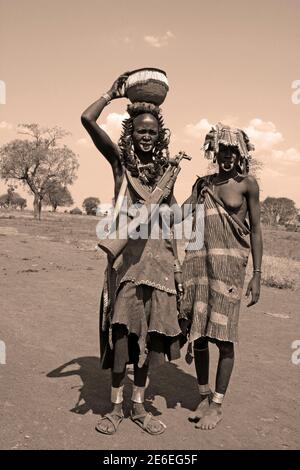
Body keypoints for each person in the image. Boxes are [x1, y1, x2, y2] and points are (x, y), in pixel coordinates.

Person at [81, 72, 183, 436]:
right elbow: (87, 120)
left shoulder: (168, 174)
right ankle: (114, 408)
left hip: (158, 267)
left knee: (151, 340)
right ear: (130, 133)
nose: (146, 136)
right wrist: (109, 94)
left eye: (152, 132)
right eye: (140, 130)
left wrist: (196, 202)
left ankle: (138, 406)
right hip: (125, 266)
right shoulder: (119, 166)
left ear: (160, 137)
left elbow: (175, 217)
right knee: (122, 338)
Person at [180, 123, 263, 430]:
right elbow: (181, 214)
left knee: (225, 339)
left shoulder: (247, 185)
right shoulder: (204, 183)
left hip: (230, 271)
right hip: (200, 269)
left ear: (240, 154)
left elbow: (255, 229)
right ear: (214, 153)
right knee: (199, 333)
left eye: (232, 152)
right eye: (222, 151)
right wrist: (189, 188)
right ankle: (203, 395)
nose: (227, 157)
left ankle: (217, 405)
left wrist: (257, 274)